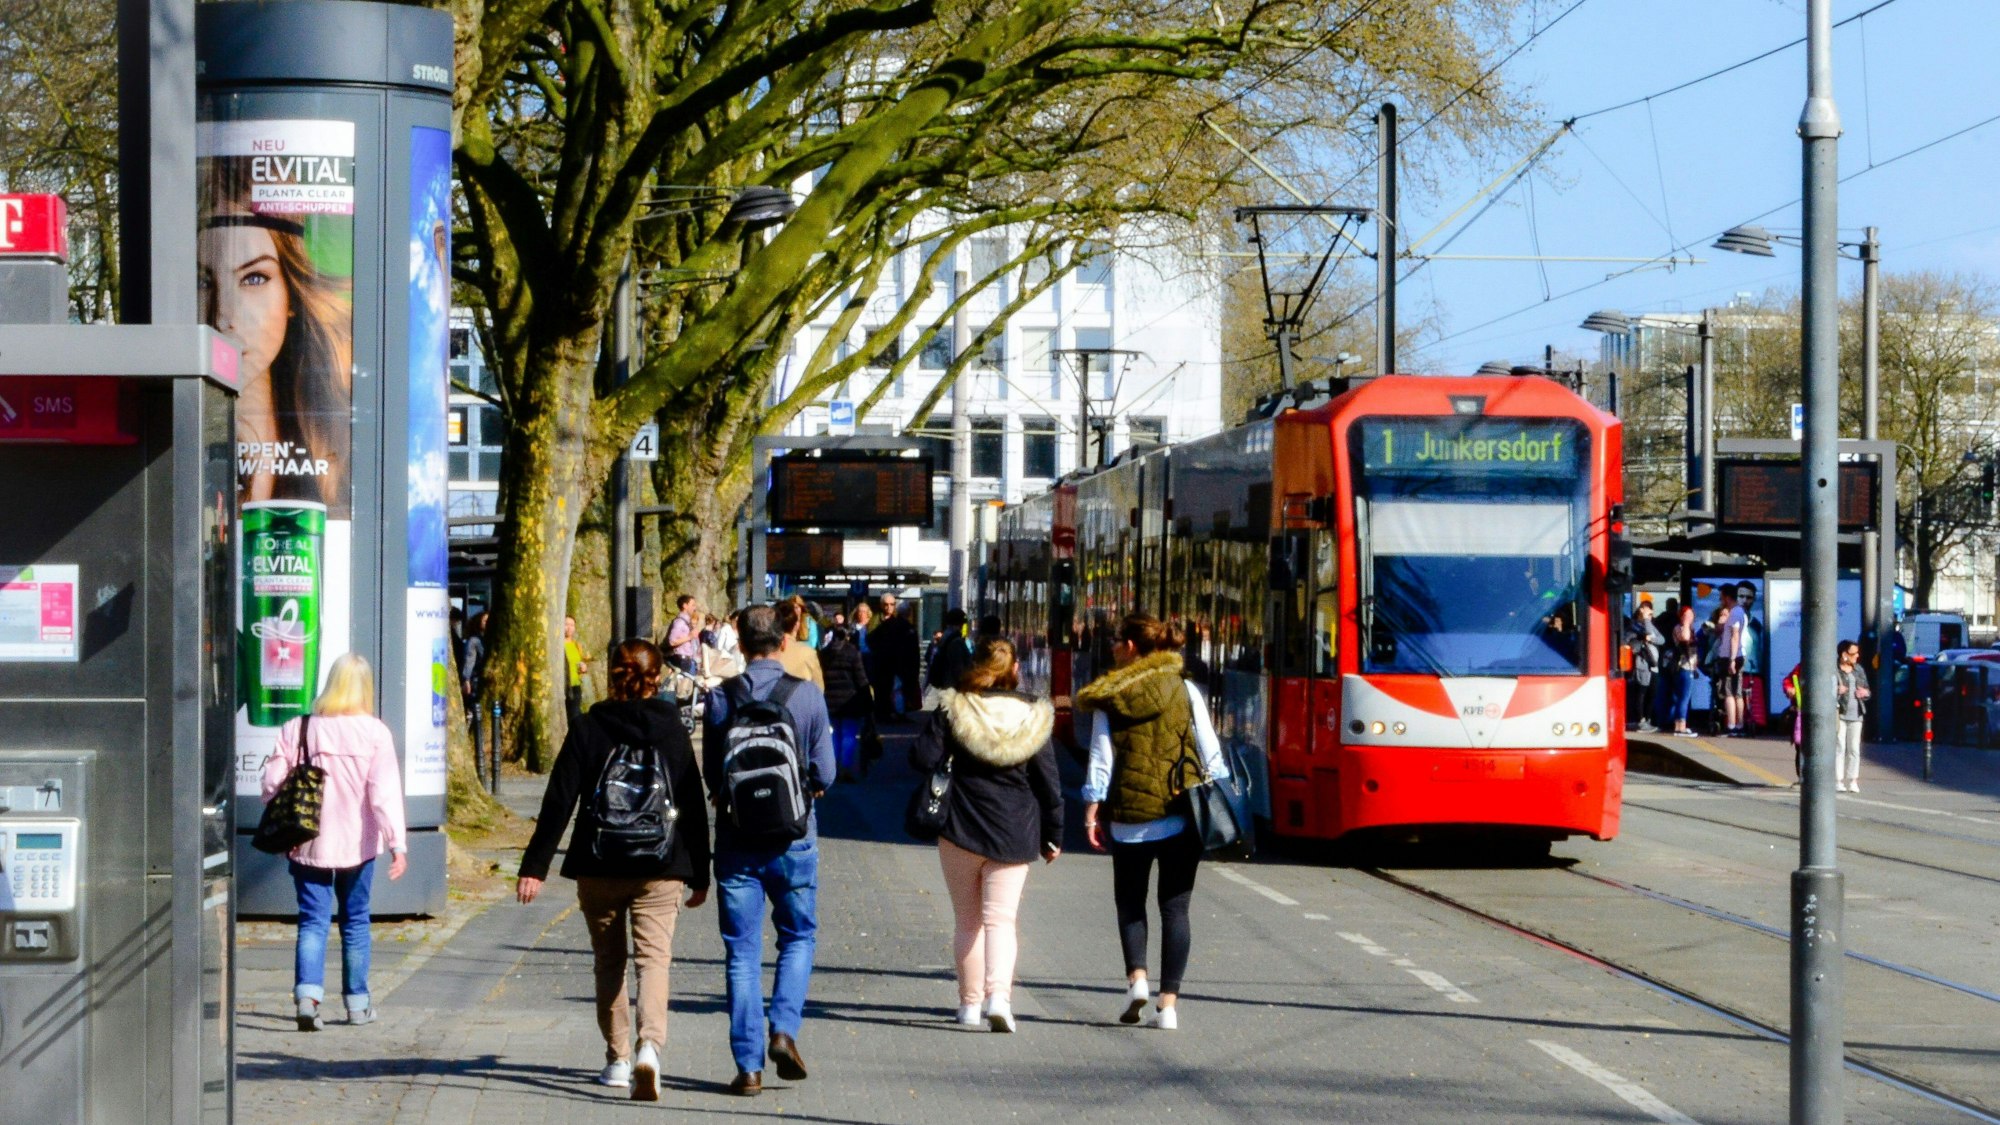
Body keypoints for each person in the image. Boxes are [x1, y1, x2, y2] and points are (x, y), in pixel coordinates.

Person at [517, 639, 710, 1099]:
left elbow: (559, 801)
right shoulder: (672, 730)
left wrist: (535, 866)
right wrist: (701, 872)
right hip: (660, 865)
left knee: (609, 962)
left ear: (611, 675)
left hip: (598, 863)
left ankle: (618, 1058)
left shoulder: (587, 727)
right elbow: (692, 803)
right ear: (657, 678)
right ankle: (650, 1048)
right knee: (654, 960)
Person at [702, 605, 837, 1097]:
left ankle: (748, 1066)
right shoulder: (807, 697)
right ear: (784, 642)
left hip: (737, 841)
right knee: (797, 937)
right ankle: (783, 1030)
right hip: (794, 838)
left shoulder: (722, 698)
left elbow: (713, 776)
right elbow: (826, 772)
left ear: (738, 642)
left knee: (741, 952)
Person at [1076, 613, 1228, 1031]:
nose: (1110, 647)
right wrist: (1218, 797)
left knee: (1130, 900)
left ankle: (1137, 981)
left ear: (1131, 647)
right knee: (1176, 909)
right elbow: (1210, 751)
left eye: (1115, 640)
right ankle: (1169, 1007)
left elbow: (1101, 759)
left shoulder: (1111, 697)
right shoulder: (1185, 689)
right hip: (1182, 813)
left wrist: (1092, 806)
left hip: (1129, 816)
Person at [910, 637, 1062, 1033]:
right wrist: (1053, 835)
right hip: (1015, 833)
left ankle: (969, 1006)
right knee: (1001, 921)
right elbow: (1049, 786)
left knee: (967, 920)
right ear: (1015, 670)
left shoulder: (956, 706)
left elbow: (921, 758)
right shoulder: (1035, 716)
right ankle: (1000, 999)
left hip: (959, 828)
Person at [260, 654, 407, 1031]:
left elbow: (271, 783)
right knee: (356, 922)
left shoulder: (300, 728)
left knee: (312, 922)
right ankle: (357, 1005)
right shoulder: (375, 733)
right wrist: (397, 844)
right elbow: (383, 793)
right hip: (358, 845)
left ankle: (308, 1000)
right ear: (365, 689)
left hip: (309, 842)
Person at [198, 174, 353, 511]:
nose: (223, 317)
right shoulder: (180, 442)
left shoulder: (339, 436)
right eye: (203, 281)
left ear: (291, 296)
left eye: (254, 278)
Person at [819, 624, 874, 782]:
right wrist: (868, 702)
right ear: (847, 636)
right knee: (849, 735)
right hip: (850, 701)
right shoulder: (852, 652)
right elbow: (860, 678)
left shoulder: (824, 653)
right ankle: (845, 766)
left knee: (834, 734)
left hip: (829, 700)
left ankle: (833, 766)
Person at [872, 593, 922, 721]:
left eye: (892, 604)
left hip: (888, 664)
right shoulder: (904, 627)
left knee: (893, 689)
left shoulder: (889, 625)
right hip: (899, 665)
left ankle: (891, 713)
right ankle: (898, 713)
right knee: (898, 690)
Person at [1836, 639, 1872, 792]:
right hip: (1839, 713)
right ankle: (1838, 780)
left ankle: (1853, 780)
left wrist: (1865, 693)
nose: (1857, 656)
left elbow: (1867, 690)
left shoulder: (1859, 670)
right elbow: (1824, 690)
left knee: (1854, 748)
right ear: (1844, 655)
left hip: (1856, 714)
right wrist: (1836, 691)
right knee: (1839, 746)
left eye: (1857, 653)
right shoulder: (1834, 670)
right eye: (1853, 653)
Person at [1713, 586, 1748, 735]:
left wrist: (1731, 660)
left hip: (1730, 656)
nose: (1721, 601)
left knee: (1728, 692)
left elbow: (1735, 637)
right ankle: (1740, 725)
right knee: (1738, 692)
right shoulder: (1741, 612)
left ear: (1727, 597)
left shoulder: (1734, 613)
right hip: (1739, 654)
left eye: (1721, 598)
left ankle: (1732, 725)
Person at [926, 608, 974, 707]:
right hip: (952, 685)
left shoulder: (946, 636)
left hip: (947, 682)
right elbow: (958, 666)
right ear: (960, 623)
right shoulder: (956, 640)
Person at [1626, 602, 1663, 733]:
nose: (1650, 617)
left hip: (1653, 665)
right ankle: (1640, 721)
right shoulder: (1634, 626)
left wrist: (1650, 636)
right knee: (1641, 692)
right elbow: (1644, 634)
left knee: (1652, 693)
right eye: (1648, 614)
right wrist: (1646, 620)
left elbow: (1661, 639)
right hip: (1642, 663)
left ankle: (1647, 719)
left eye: (1651, 614)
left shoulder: (1650, 625)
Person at [774, 600, 826, 689]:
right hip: (801, 700)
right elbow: (819, 689)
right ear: (797, 625)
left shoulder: (764, 651)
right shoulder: (808, 653)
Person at [1669, 603, 1700, 739]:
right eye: (1687, 615)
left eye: (1691, 615)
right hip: (1683, 667)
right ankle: (1680, 726)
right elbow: (1685, 639)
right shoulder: (1680, 628)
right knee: (1684, 697)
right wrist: (1686, 623)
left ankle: (1680, 725)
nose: (1690, 617)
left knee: (1683, 697)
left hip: (1690, 667)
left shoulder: (1690, 629)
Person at [460, 610, 487, 722]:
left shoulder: (485, 639)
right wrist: (466, 680)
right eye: (485, 620)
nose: (487, 623)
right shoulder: (474, 641)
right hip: (476, 680)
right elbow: (469, 660)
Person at [666, 595, 703, 676]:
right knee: (684, 687)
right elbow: (672, 641)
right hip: (683, 660)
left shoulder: (687, 622)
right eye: (693, 605)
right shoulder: (680, 622)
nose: (695, 608)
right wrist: (689, 637)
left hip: (689, 660)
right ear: (685, 606)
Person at [564, 615, 589, 725]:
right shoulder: (559, 645)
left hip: (575, 686)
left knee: (575, 716)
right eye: (566, 624)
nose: (569, 628)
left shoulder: (576, 645)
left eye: (572, 625)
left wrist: (584, 667)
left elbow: (580, 663)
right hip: (563, 687)